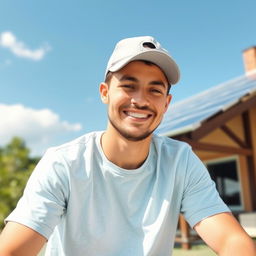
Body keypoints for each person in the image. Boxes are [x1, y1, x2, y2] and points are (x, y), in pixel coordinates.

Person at [0, 36, 255, 256]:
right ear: (104, 92)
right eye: (128, 86)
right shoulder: (64, 163)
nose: (140, 100)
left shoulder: (180, 162)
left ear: (166, 104)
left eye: (154, 90)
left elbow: (231, 240)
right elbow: (11, 249)